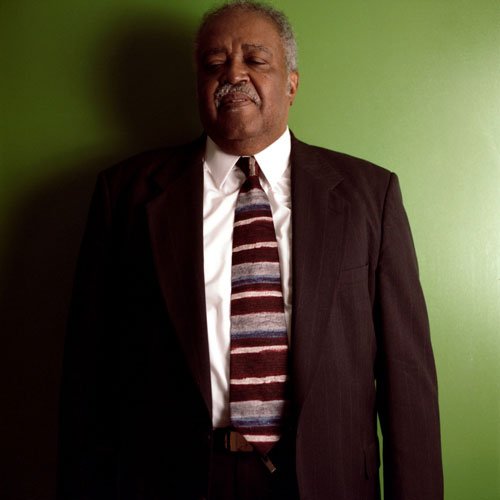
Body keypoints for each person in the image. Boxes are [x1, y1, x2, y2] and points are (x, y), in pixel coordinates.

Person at [58, 1, 443, 499]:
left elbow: (407, 378)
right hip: (171, 480)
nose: (233, 74)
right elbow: (87, 377)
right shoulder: (125, 197)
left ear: (292, 84)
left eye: (256, 60)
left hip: (327, 480)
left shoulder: (370, 196)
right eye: (214, 63)